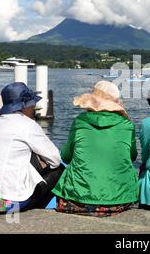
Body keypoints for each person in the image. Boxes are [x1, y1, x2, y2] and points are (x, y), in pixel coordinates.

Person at [0, 82, 63, 213]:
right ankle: (34, 214)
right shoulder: (27, 124)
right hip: (5, 203)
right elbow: (55, 160)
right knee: (59, 171)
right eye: (32, 103)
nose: (34, 107)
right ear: (23, 106)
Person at [52, 81, 138, 217]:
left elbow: (66, 156)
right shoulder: (127, 126)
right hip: (120, 200)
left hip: (78, 200)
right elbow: (132, 156)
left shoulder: (80, 122)